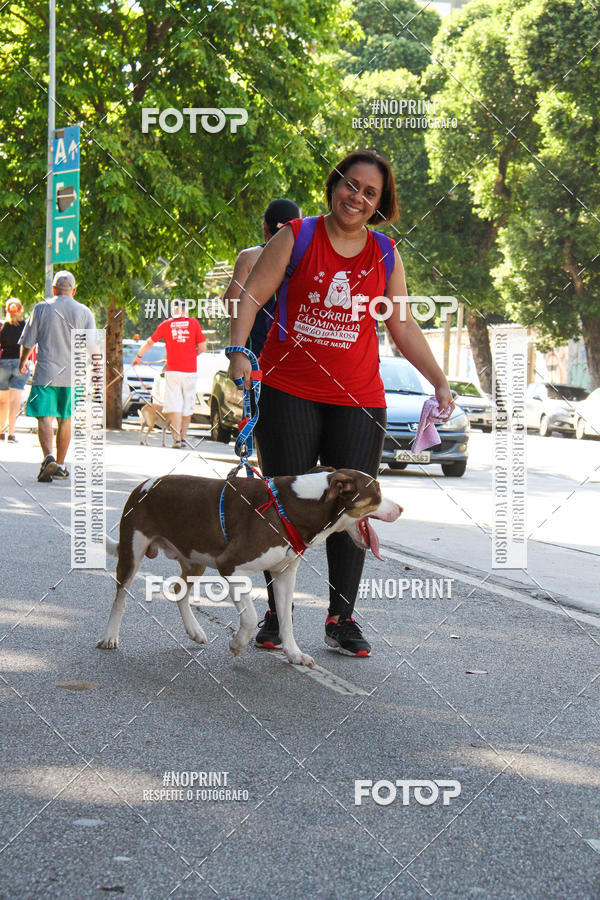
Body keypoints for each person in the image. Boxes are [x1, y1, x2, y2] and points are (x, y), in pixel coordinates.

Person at [229, 149, 454, 658]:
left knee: (351, 508)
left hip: (358, 398)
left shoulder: (385, 254)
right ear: (335, 185)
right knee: (282, 506)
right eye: (351, 185)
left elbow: (401, 324)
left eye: (369, 192)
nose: (357, 197)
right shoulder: (298, 235)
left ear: (380, 203)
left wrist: (438, 381)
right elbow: (252, 294)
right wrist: (239, 352)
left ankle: (341, 617)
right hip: (289, 391)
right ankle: (274, 615)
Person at [19, 271, 96, 482]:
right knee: (65, 418)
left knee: (44, 416)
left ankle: (48, 458)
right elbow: (92, 347)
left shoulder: (42, 308)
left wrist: (22, 362)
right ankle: (60, 465)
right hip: (73, 375)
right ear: (74, 289)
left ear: (54, 289)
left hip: (46, 373)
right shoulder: (85, 311)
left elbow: (28, 342)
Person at [223, 198, 300, 357]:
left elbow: (232, 306)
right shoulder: (308, 259)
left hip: (256, 357)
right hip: (295, 358)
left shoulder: (250, 257)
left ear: (265, 226)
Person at [133, 298, 206, 448]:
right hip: (190, 372)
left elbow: (149, 342)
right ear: (186, 310)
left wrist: (139, 357)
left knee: (175, 406)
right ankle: (183, 437)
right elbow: (202, 348)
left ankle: (176, 439)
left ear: (174, 310)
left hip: (172, 371)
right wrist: (190, 355)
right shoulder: (194, 323)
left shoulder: (166, 325)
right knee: (187, 406)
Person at [0, 298, 29, 442]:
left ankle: (0, 432)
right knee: (15, 400)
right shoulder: (25, 326)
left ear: (6, 309)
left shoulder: (2, 326)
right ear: (21, 309)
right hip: (20, 363)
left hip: (3, 363)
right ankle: (11, 433)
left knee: (2, 401)